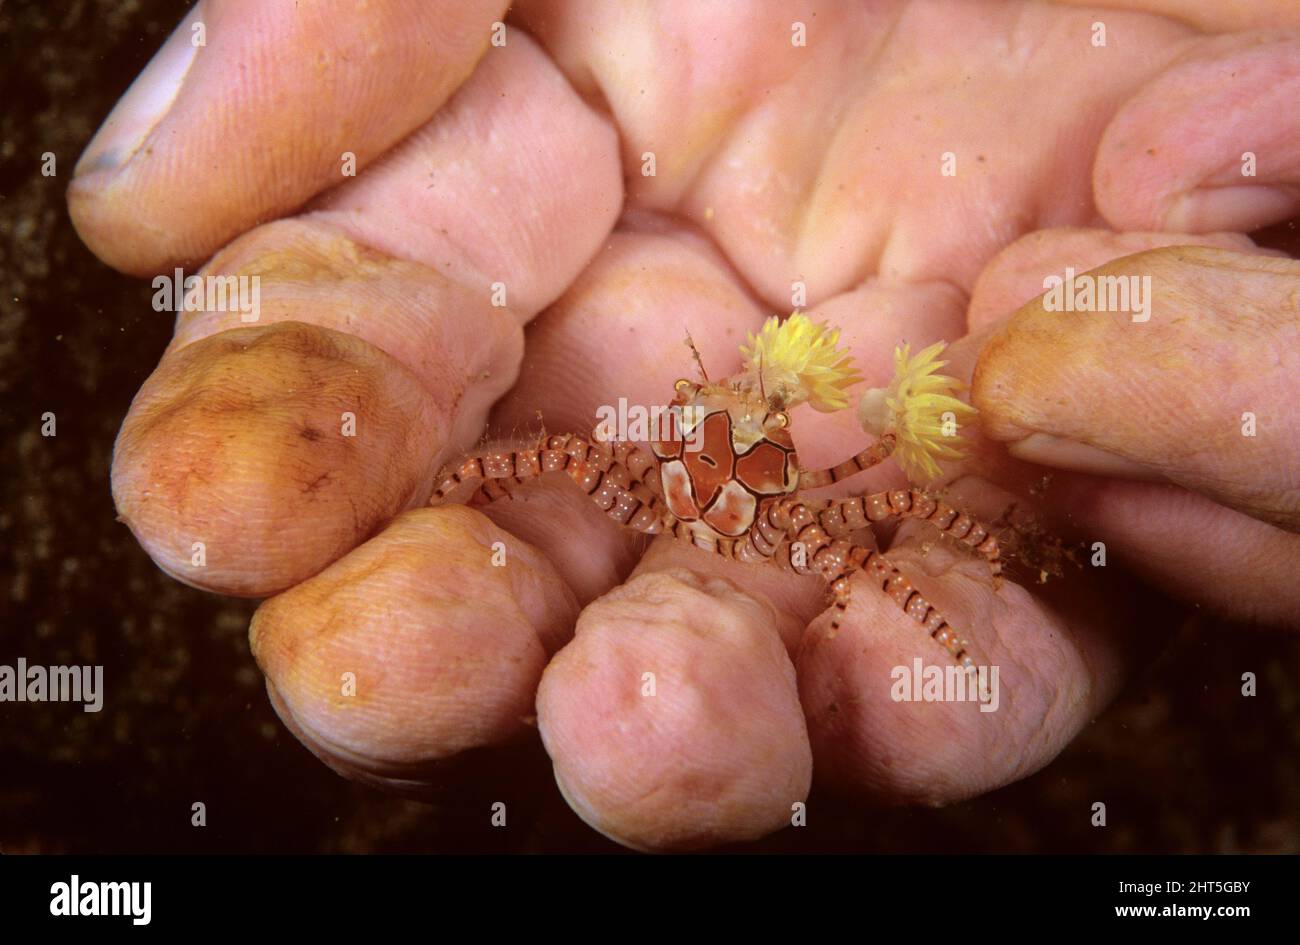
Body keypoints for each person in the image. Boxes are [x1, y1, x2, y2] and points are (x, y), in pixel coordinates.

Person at [67, 0, 1300, 851]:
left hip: (792, 500)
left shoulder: (829, 482)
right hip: (729, 493)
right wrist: (465, 482)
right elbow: (549, 451)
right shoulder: (661, 459)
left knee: (923, 542)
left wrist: (972, 585)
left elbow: (899, 497)